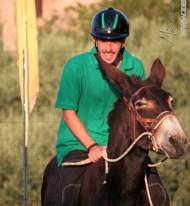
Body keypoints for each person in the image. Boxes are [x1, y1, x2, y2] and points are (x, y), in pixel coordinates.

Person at [54, 7, 168, 206]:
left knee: (158, 194)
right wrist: (92, 146)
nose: (108, 48)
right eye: (103, 40)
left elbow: (141, 113)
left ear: (123, 41)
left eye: (114, 40)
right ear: (94, 40)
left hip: (125, 147)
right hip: (80, 146)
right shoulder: (76, 67)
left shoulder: (136, 66)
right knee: (68, 193)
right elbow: (69, 113)